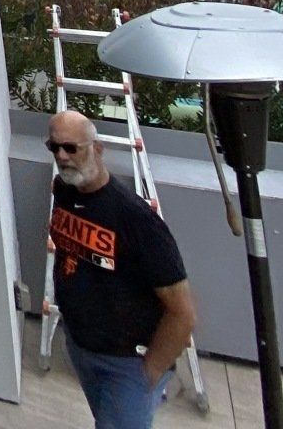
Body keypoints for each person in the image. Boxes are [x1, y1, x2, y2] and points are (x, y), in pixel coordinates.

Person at [47, 109, 197, 429]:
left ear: (97, 149)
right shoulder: (64, 190)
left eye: (71, 148)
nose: (62, 156)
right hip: (82, 346)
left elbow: (182, 312)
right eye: (54, 147)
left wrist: (150, 373)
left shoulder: (135, 219)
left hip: (125, 363)